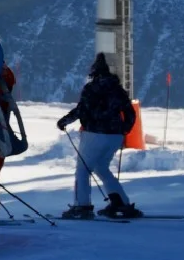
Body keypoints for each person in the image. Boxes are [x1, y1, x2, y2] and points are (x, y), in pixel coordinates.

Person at [57, 53, 142, 219]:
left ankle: (81, 206)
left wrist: (64, 121)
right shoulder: (118, 90)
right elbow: (130, 113)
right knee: (101, 167)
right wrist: (124, 129)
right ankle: (121, 203)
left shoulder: (92, 88)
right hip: (115, 135)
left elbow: (82, 109)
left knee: (83, 170)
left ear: (94, 73)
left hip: (94, 133)